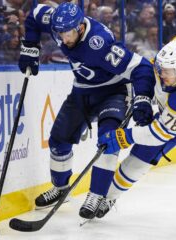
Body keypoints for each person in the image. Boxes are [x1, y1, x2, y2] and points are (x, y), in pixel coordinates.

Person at [19, 2, 155, 220]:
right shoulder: (57, 22)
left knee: (108, 141)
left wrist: (142, 98)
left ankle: (96, 194)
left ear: (80, 27)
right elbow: (34, 15)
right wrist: (30, 47)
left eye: (68, 33)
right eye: (59, 33)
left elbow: (142, 67)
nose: (63, 39)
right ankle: (61, 188)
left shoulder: (100, 44)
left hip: (113, 92)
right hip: (81, 91)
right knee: (58, 141)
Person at [98, 35, 176, 229]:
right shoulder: (163, 65)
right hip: (167, 118)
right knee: (136, 163)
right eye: (161, 69)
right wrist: (142, 100)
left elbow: (159, 135)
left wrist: (125, 137)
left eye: (168, 72)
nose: (162, 74)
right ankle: (108, 197)